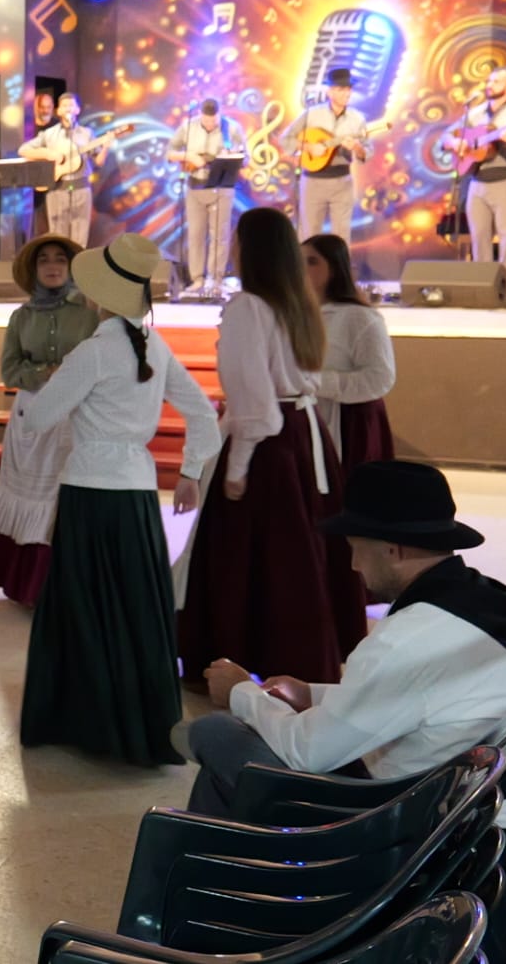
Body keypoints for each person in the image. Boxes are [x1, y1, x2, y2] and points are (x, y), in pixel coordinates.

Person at [185, 460, 506, 819]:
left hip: (418, 814)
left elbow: (307, 752)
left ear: (392, 549)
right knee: (223, 777)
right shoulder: (488, 601)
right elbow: (418, 696)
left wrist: (240, 691)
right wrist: (311, 694)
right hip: (477, 799)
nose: (354, 565)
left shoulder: (406, 638)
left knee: (216, 733)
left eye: (356, 548)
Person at [14, 234, 221, 767]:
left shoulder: (92, 352)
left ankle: (88, 722)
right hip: (137, 493)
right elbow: (204, 415)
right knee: (135, 608)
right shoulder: (155, 345)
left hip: (89, 491)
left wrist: (44, 388)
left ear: (97, 294)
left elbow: (38, 418)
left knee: (85, 607)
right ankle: (141, 723)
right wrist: (191, 473)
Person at [178, 209, 367, 687]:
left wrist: (237, 467)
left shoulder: (249, 307)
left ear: (250, 249)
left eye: (236, 239)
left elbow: (255, 399)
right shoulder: (298, 303)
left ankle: (235, 658)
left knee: (251, 558)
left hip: (270, 445)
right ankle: (303, 659)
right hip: (305, 436)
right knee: (299, 554)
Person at [0, 236, 100, 607]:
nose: (52, 266)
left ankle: (58, 588)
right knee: (29, 495)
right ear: (34, 269)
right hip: (31, 414)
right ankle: (23, 584)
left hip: (74, 413)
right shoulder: (21, 317)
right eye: (44, 259)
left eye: (60, 258)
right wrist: (46, 372)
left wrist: (71, 374)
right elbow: (10, 370)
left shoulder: (90, 312)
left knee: (60, 496)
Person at [304, 234, 395, 469]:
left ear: (334, 269)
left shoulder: (359, 317)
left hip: (349, 423)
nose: (301, 269)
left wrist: (317, 382)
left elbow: (380, 378)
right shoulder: (296, 315)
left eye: (312, 261)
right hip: (307, 419)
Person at [448, 65, 506, 277]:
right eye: (490, 81)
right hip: (477, 180)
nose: (490, 85)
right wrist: (455, 143)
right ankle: (482, 283)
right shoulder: (475, 113)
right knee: (479, 236)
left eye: (497, 81)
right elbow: (446, 136)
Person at [281, 68, 372, 242]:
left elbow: (367, 152)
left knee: (341, 236)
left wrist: (357, 148)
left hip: (342, 182)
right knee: (309, 235)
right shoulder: (312, 114)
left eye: (349, 89)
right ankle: (306, 261)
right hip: (312, 182)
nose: (347, 93)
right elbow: (286, 139)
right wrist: (309, 147)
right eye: (341, 89)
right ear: (329, 92)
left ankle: (339, 261)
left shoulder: (357, 119)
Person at [167, 99, 241, 297]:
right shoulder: (188, 127)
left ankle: (215, 280)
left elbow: (246, 157)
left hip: (221, 187)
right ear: (200, 115)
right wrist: (188, 156)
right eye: (206, 121)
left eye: (213, 121)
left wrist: (231, 155)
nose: (209, 125)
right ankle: (197, 279)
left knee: (219, 236)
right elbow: (170, 152)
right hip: (195, 186)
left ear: (219, 115)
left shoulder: (231, 129)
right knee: (196, 235)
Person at [19, 94, 110, 246]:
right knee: (58, 237)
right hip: (57, 189)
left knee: (79, 239)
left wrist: (106, 147)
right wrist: (48, 153)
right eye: (64, 105)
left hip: (81, 189)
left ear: (77, 110)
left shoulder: (87, 133)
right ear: (58, 111)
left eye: (71, 105)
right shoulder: (49, 134)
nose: (68, 108)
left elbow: (99, 161)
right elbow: (24, 150)